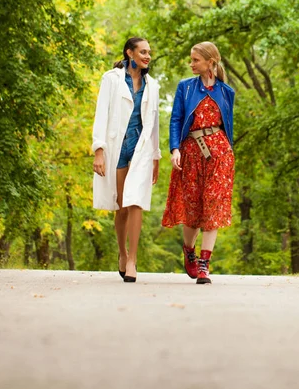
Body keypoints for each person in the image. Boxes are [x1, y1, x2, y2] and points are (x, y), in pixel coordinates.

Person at [162, 41, 235, 284]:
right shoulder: (185, 88)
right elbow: (176, 119)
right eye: (191, 59)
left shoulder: (226, 92)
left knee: (212, 205)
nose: (191, 64)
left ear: (210, 62)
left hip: (219, 155)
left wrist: (229, 152)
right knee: (192, 208)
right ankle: (189, 251)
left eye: (195, 60)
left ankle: (204, 264)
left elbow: (228, 126)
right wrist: (175, 149)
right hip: (191, 152)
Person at [92, 37, 161, 283]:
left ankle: (133, 259)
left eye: (149, 52)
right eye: (143, 52)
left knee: (136, 202)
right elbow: (101, 114)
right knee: (122, 205)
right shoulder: (111, 79)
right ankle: (122, 253)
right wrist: (98, 149)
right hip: (117, 145)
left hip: (141, 147)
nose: (147, 56)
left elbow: (154, 124)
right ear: (129, 53)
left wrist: (156, 156)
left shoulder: (152, 85)